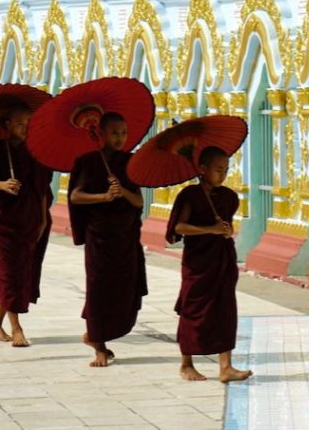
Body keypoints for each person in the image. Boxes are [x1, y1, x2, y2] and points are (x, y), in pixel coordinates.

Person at [166, 146, 253, 383]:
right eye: (217, 170)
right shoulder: (190, 195)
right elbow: (178, 227)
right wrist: (209, 230)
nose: (222, 174)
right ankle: (186, 363)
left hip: (221, 258)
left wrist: (225, 231)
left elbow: (228, 226)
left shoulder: (227, 197)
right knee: (193, 309)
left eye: (226, 170)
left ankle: (226, 366)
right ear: (202, 170)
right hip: (198, 262)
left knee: (225, 310)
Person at [68, 112, 147, 367]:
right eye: (114, 132)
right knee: (99, 288)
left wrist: (121, 191)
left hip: (125, 237)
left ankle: (93, 334)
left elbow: (138, 201)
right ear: (101, 133)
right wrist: (103, 197)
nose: (120, 137)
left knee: (125, 289)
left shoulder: (131, 162)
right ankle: (99, 346)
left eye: (123, 132)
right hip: (100, 237)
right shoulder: (89, 162)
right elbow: (76, 196)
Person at [0, 104, 53, 347]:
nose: (25, 128)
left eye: (29, 124)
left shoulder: (38, 151)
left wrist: (42, 220)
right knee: (11, 271)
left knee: (18, 271)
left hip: (32, 218)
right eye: (20, 124)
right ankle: (16, 327)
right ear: (8, 125)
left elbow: (42, 189)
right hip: (5, 220)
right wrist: (2, 185)